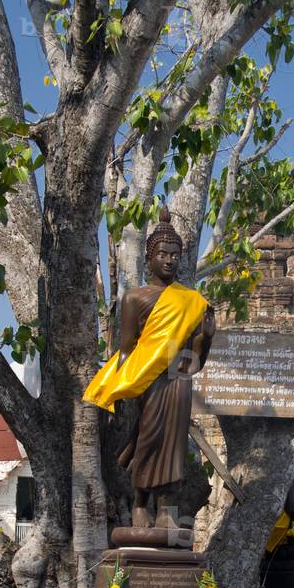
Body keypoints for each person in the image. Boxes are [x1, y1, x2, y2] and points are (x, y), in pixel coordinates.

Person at [84, 208, 215, 530]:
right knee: (148, 440)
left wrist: (208, 338)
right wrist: (120, 392)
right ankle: (141, 502)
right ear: (149, 258)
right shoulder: (135, 298)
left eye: (174, 255)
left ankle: (167, 508)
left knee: (174, 445)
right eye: (162, 254)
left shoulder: (192, 301)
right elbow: (126, 350)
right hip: (147, 383)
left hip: (178, 380)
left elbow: (196, 361)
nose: (169, 261)